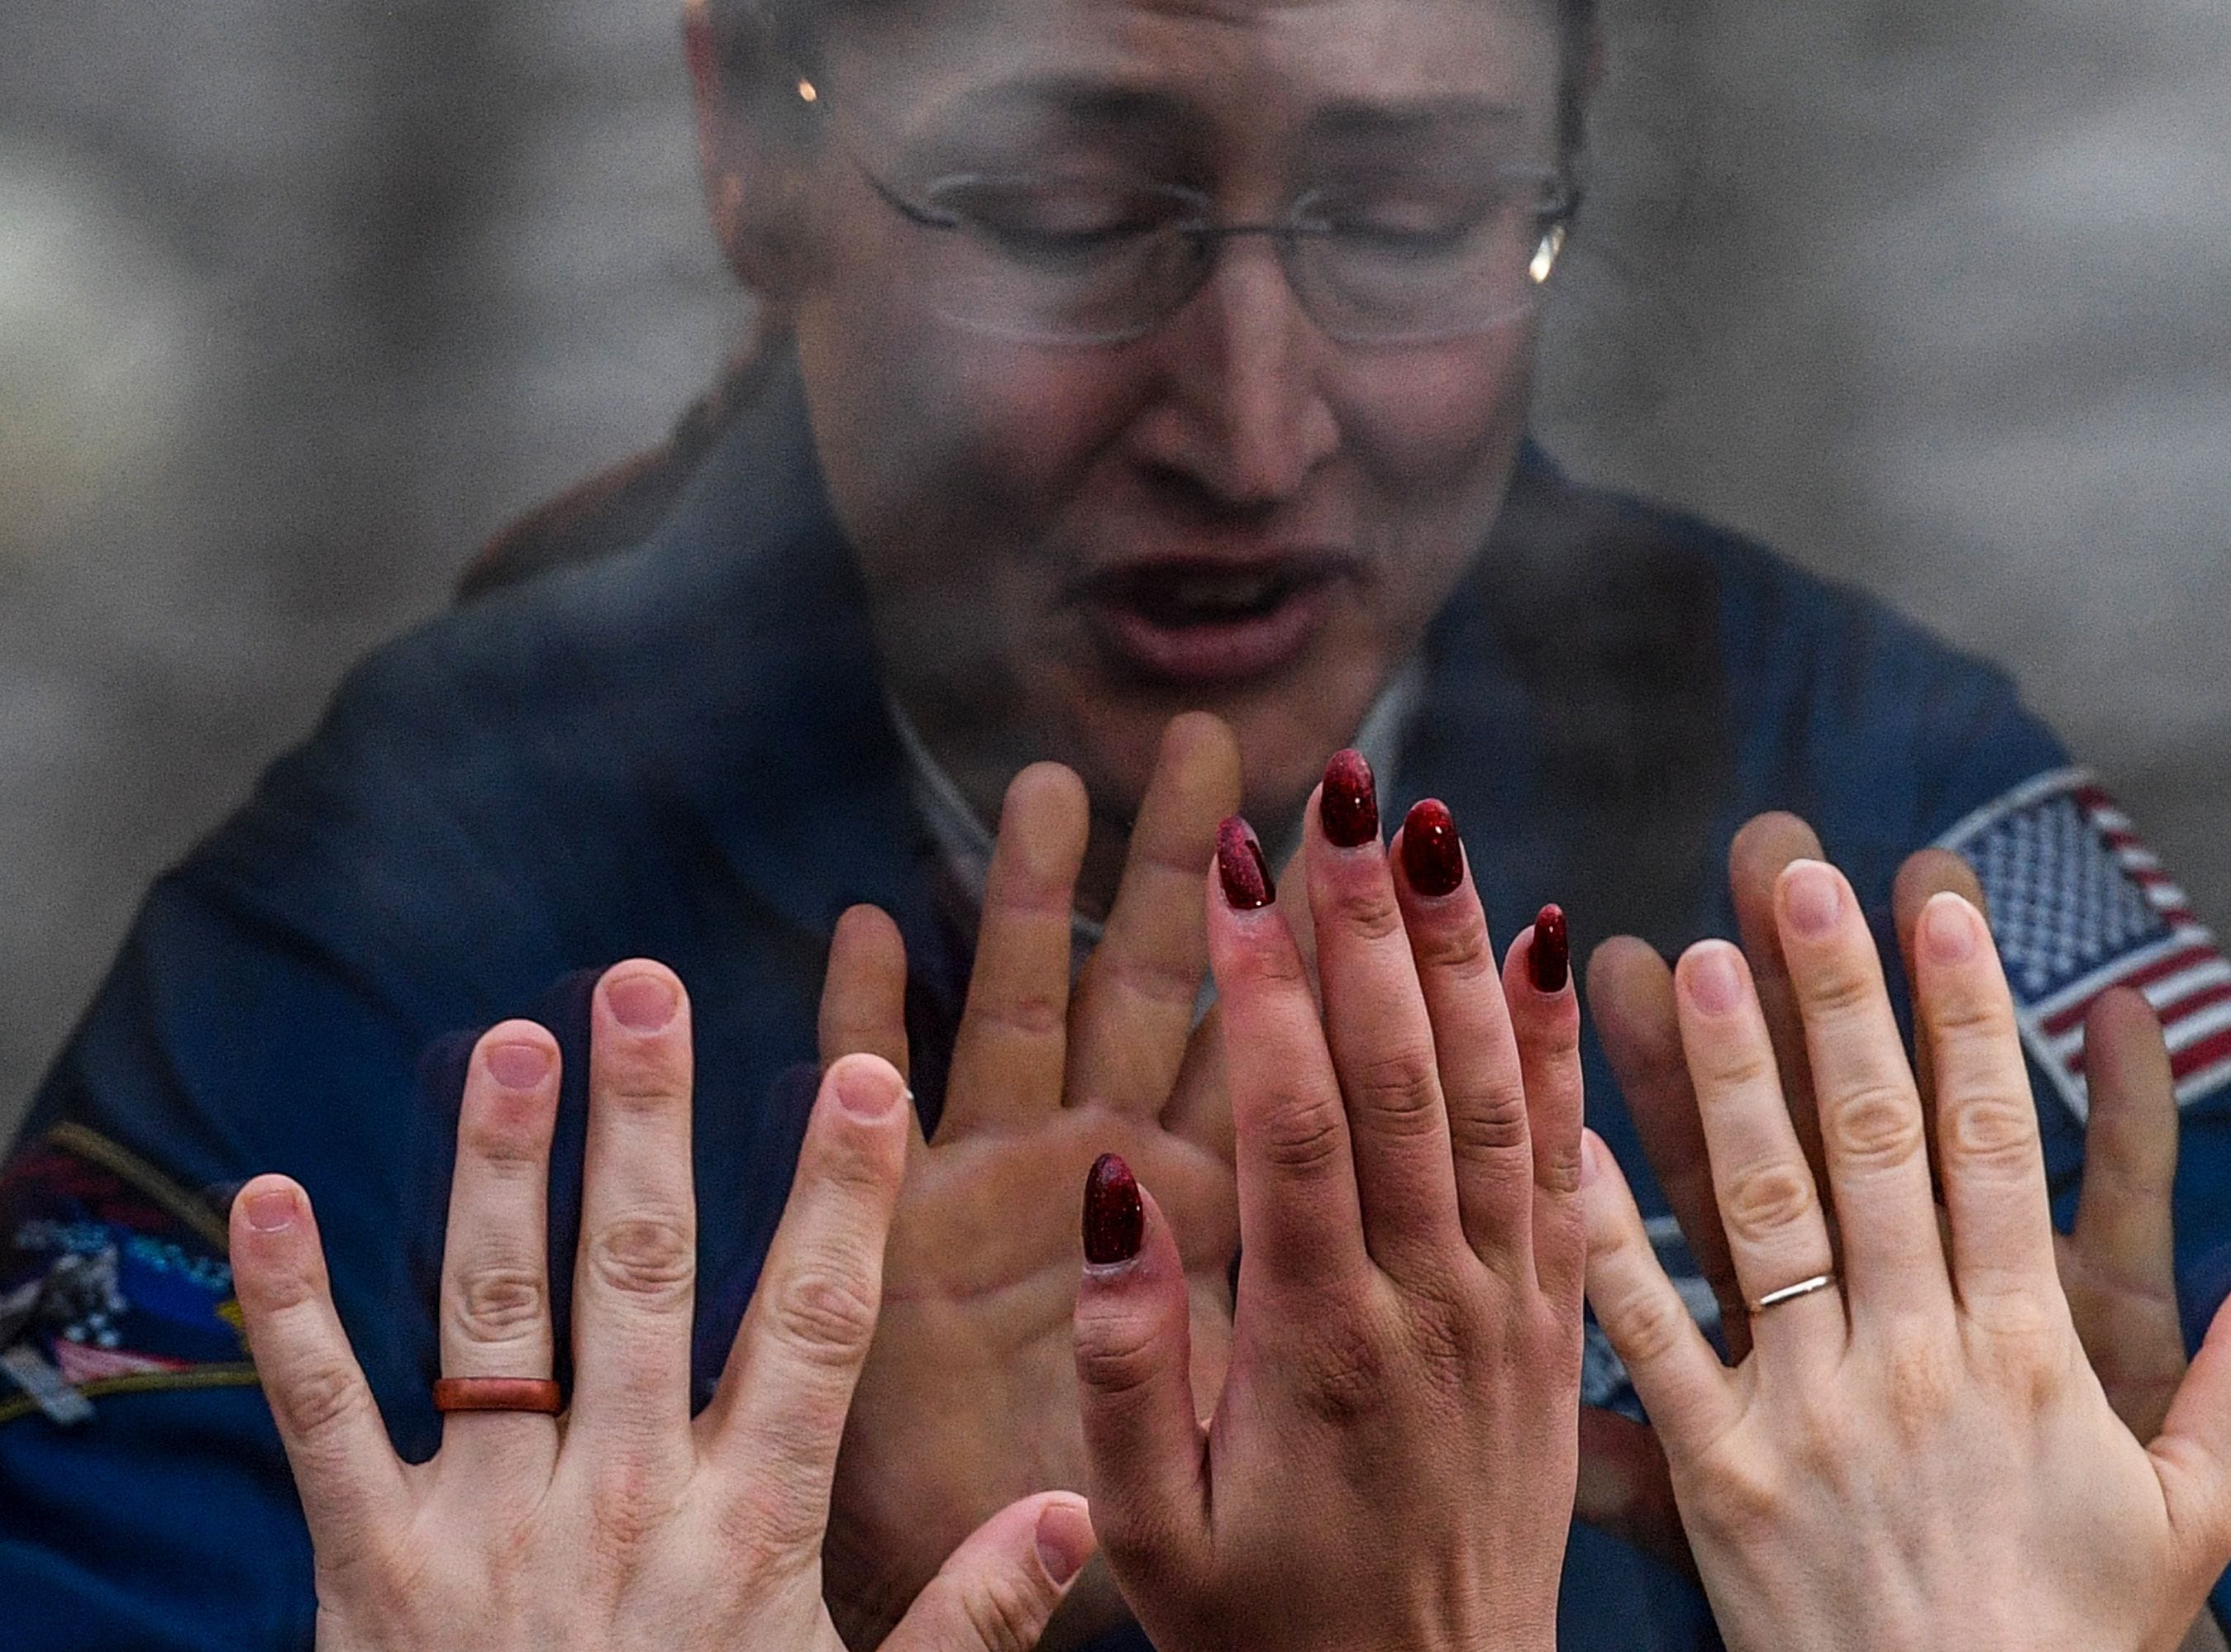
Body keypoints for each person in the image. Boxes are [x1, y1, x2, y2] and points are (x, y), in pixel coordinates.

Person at [2, 0, 2227, 1644]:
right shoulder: (380, 940)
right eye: (1065, 213)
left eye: (1414, 214)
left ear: (1573, 149)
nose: (1253, 427)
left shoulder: (1888, 821)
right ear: (748, 145)